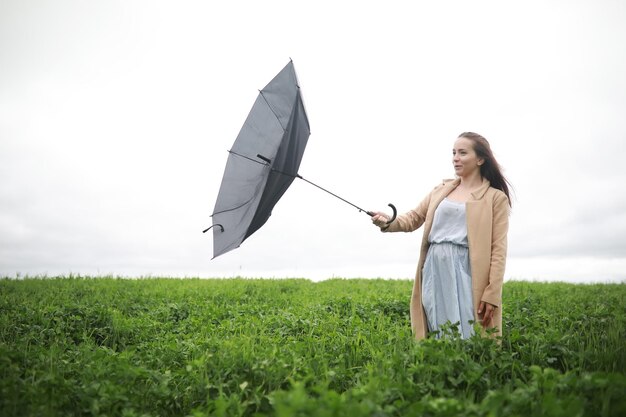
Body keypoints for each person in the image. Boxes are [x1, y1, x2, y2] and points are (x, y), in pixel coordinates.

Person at [371, 132, 511, 340]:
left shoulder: (495, 198)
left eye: (462, 153)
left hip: (468, 269)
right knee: (437, 326)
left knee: (469, 327)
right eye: (454, 152)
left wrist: (492, 293)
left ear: (480, 159)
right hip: (435, 267)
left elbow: (498, 249)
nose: (455, 158)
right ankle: (439, 371)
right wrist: (388, 222)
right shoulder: (442, 190)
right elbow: (414, 217)